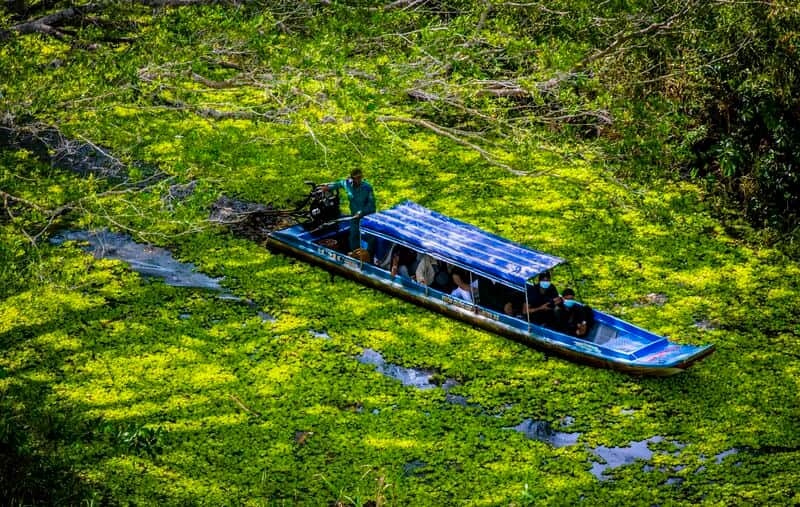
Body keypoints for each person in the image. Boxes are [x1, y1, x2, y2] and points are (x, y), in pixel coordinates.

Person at [322, 168, 376, 251]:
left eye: (360, 178)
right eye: (356, 178)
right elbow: (339, 183)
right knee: (354, 234)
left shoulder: (367, 187)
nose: (358, 180)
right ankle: (354, 253)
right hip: (354, 216)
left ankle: (369, 255)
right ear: (352, 178)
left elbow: (371, 204)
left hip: (367, 216)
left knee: (369, 237)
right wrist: (328, 188)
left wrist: (362, 212)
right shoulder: (347, 184)